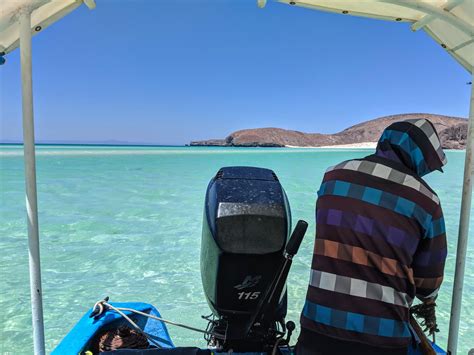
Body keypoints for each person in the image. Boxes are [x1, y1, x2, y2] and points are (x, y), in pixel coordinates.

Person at [298, 119, 447, 355]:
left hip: (317, 328)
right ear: (420, 158)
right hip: (382, 339)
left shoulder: (332, 177)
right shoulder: (427, 200)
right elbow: (427, 282)